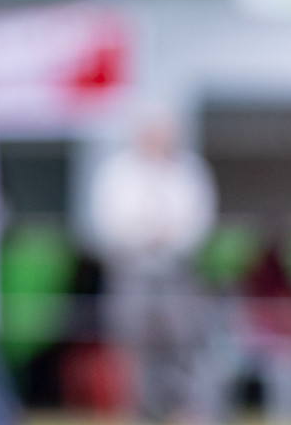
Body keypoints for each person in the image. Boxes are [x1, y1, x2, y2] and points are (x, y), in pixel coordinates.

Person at [89, 110, 217, 423]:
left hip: (176, 270)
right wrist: (142, 234)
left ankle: (183, 411)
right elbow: (107, 220)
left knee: (182, 344)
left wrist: (169, 236)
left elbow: (199, 219)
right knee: (134, 346)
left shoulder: (188, 170)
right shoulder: (118, 171)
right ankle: (140, 413)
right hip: (131, 269)